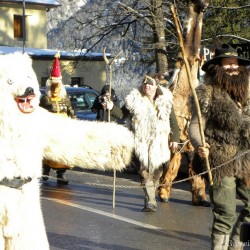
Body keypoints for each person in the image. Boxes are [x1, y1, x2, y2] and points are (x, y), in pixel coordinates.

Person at [188, 44, 250, 249]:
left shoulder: (247, 92)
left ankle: (237, 245)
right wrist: (200, 144)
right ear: (218, 67)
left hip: (246, 158)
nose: (233, 67)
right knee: (226, 212)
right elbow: (196, 126)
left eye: (235, 64)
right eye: (227, 64)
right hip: (219, 158)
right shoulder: (207, 93)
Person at [120, 73, 180, 212]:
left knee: (157, 174)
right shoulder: (134, 100)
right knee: (144, 172)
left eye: (150, 84)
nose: (147, 86)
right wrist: (111, 107)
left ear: (156, 87)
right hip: (141, 142)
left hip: (160, 144)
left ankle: (150, 198)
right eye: (145, 84)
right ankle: (151, 202)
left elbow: (173, 122)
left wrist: (175, 139)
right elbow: (120, 113)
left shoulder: (165, 100)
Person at [40, 52, 77, 185]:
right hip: (49, 130)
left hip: (63, 131)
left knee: (62, 153)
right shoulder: (45, 99)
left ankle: (61, 175)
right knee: (48, 152)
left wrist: (75, 125)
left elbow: (72, 113)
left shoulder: (65, 99)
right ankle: (45, 170)